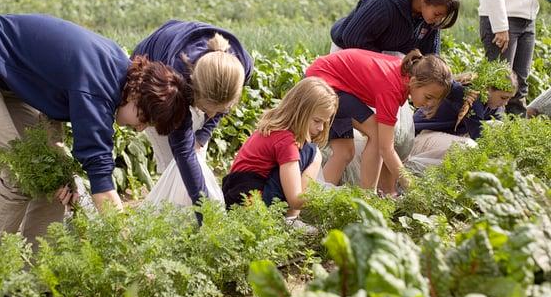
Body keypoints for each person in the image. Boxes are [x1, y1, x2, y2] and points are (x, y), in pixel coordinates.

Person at [0, 14, 189, 253]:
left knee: (55, 175)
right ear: (137, 96)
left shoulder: (121, 74)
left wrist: (61, 172)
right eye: (144, 120)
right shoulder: (98, 89)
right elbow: (103, 187)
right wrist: (129, 250)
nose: (140, 128)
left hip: (13, 78)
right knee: (18, 175)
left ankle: (34, 277)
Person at [132, 20, 253, 207]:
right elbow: (182, 149)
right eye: (206, 109)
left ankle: (186, 210)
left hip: (195, 72)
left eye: (220, 111)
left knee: (197, 158)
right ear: (195, 91)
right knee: (172, 163)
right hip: (150, 74)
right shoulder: (175, 80)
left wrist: (203, 135)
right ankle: (171, 214)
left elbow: (217, 106)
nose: (211, 116)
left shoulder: (241, 67)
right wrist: (205, 212)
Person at [305, 48, 452, 195]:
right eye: (428, 97)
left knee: (344, 152)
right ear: (413, 82)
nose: (430, 104)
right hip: (324, 83)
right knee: (377, 134)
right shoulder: (392, 88)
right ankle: (368, 197)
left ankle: (317, 199)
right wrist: (412, 187)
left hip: (324, 77)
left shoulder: (402, 75)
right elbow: (385, 149)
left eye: (435, 100)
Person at [221, 77, 337, 219]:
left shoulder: (275, 128)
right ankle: (291, 221)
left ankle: (290, 220)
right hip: (251, 203)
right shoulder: (286, 140)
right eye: (317, 121)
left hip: (234, 195)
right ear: (300, 112)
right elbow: (295, 199)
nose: (320, 128)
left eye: (325, 123)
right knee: (313, 152)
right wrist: (327, 197)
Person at [330, 0, 461, 55]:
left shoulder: (430, 19)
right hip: (346, 50)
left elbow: (431, 57)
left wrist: (453, 88)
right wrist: (390, 63)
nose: (438, 20)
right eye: (437, 14)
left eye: (442, 17)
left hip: (385, 54)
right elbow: (353, 39)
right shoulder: (383, 4)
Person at [406, 72, 518, 172]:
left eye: (508, 99)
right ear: (488, 89)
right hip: (417, 137)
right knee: (469, 147)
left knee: (498, 126)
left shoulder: (492, 103)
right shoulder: (471, 94)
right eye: (503, 98)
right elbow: (479, 135)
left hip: (439, 135)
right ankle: (410, 167)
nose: (506, 103)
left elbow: (500, 125)